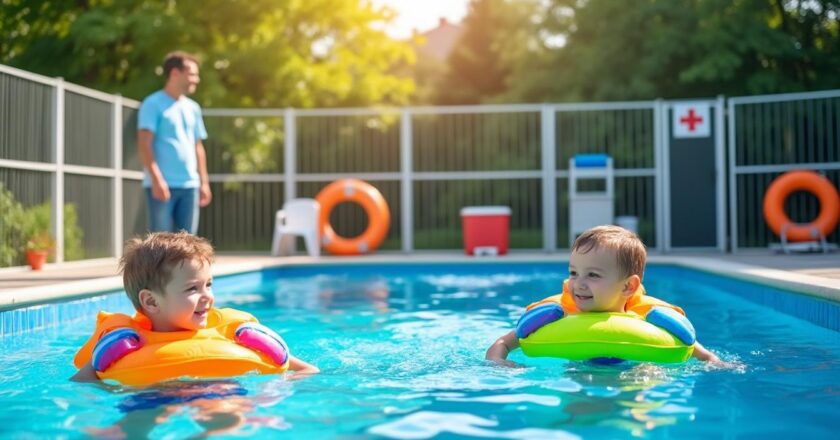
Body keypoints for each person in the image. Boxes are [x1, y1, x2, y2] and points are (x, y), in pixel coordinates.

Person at [71, 231, 319, 383]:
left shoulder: (229, 336)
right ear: (151, 301)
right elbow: (81, 383)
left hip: (215, 392)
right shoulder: (124, 345)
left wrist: (276, 387)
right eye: (192, 289)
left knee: (226, 412)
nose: (207, 297)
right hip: (150, 395)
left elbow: (306, 369)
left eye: (208, 285)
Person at [486, 225, 722, 365]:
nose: (578, 283)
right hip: (578, 373)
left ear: (628, 287)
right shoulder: (562, 313)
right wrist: (499, 362)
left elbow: (697, 350)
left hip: (634, 370)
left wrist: (714, 362)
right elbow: (503, 343)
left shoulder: (645, 318)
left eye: (593, 275)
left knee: (645, 378)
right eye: (574, 273)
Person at [138, 51, 212, 234]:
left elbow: (198, 147)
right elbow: (144, 144)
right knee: (161, 246)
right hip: (163, 185)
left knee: (188, 246)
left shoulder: (193, 108)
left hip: (190, 186)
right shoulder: (152, 104)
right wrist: (157, 180)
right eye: (192, 74)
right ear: (175, 73)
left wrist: (204, 182)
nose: (196, 79)